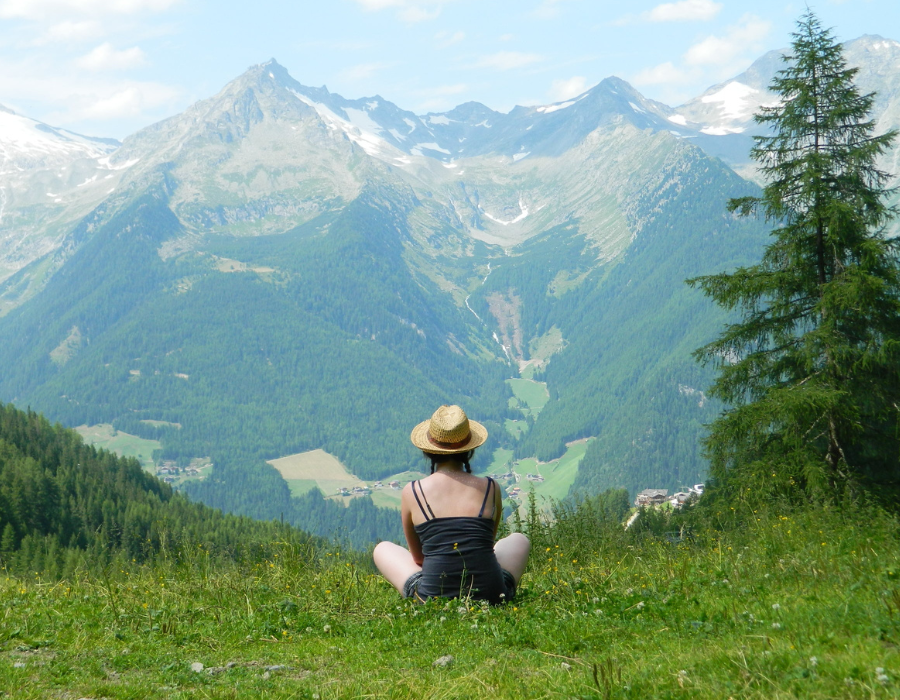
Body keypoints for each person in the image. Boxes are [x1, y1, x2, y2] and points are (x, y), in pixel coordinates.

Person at [373, 405, 530, 604]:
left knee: (382, 548)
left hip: (431, 598)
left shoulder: (412, 492)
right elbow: (486, 545)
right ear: (469, 450)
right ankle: (496, 587)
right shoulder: (491, 488)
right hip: (491, 596)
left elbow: (419, 559)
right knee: (519, 539)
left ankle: (430, 592)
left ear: (428, 451)